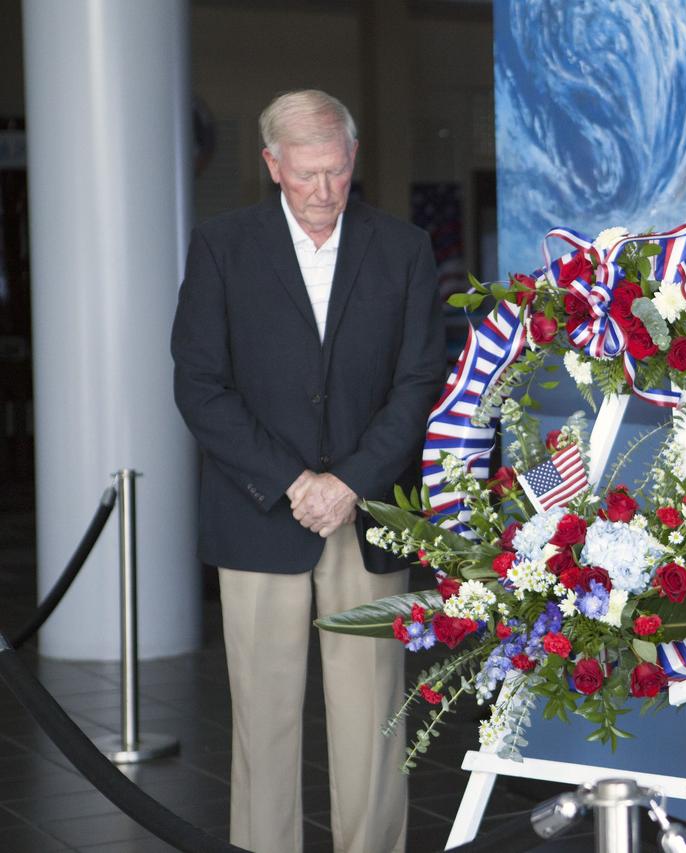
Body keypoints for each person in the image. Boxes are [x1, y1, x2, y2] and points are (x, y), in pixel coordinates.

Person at [171, 89, 445, 853]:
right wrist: (295, 483)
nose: (324, 191)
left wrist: (349, 481)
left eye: (336, 171)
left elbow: (420, 380)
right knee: (263, 719)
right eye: (306, 174)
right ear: (271, 165)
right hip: (262, 516)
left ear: (353, 158)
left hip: (369, 518)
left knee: (372, 719)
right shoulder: (223, 246)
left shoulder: (404, 249)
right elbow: (199, 384)